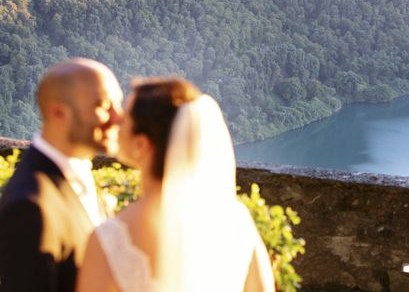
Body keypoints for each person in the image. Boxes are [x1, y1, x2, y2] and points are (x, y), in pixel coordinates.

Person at [77, 77, 274, 292]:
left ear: (141, 144)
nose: (115, 122)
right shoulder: (236, 220)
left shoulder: (110, 241)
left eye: (124, 119)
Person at [0, 58, 124, 292]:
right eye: (103, 106)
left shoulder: (76, 174)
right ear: (58, 112)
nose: (118, 117)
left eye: (118, 104)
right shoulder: (29, 206)